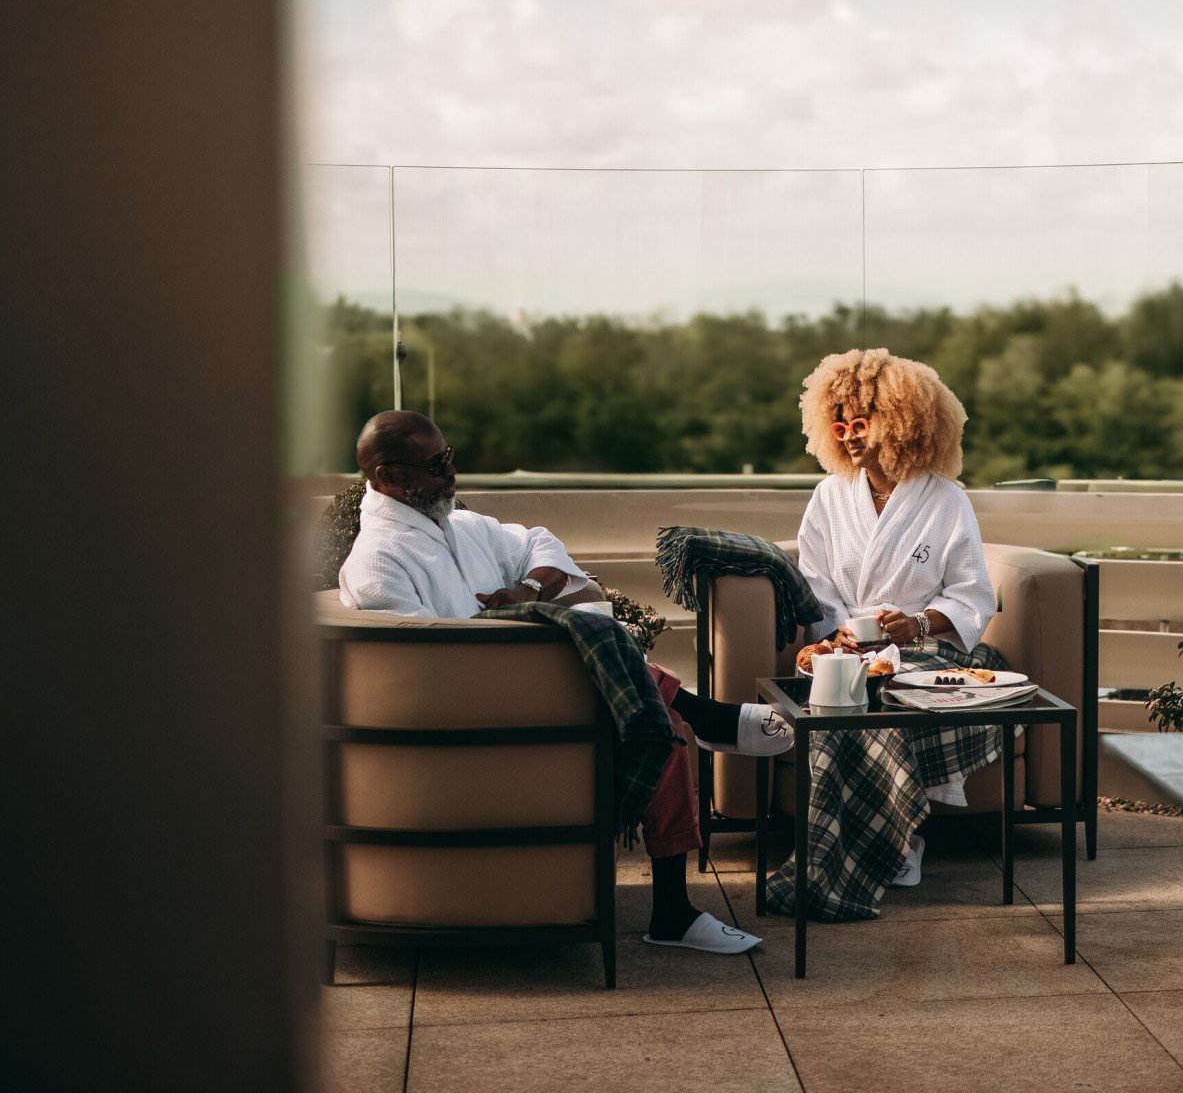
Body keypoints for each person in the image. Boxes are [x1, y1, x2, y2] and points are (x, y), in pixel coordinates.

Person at [337, 410, 792, 955]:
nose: (452, 475)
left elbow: (537, 540)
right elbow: (418, 674)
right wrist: (522, 637)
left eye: (451, 457)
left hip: (530, 700)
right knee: (594, 653)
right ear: (388, 478)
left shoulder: (460, 526)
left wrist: (529, 590)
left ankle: (673, 909)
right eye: (436, 466)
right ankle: (710, 718)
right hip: (471, 724)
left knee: (662, 727)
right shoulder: (377, 563)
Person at [767, 349, 1009, 919]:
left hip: (929, 645)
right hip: (849, 645)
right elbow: (815, 581)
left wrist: (919, 622)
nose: (849, 437)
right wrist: (841, 636)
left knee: (893, 693)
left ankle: (898, 837)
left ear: (902, 422)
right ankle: (894, 838)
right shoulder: (829, 496)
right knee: (843, 693)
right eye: (840, 424)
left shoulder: (947, 500)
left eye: (863, 423)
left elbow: (973, 593)